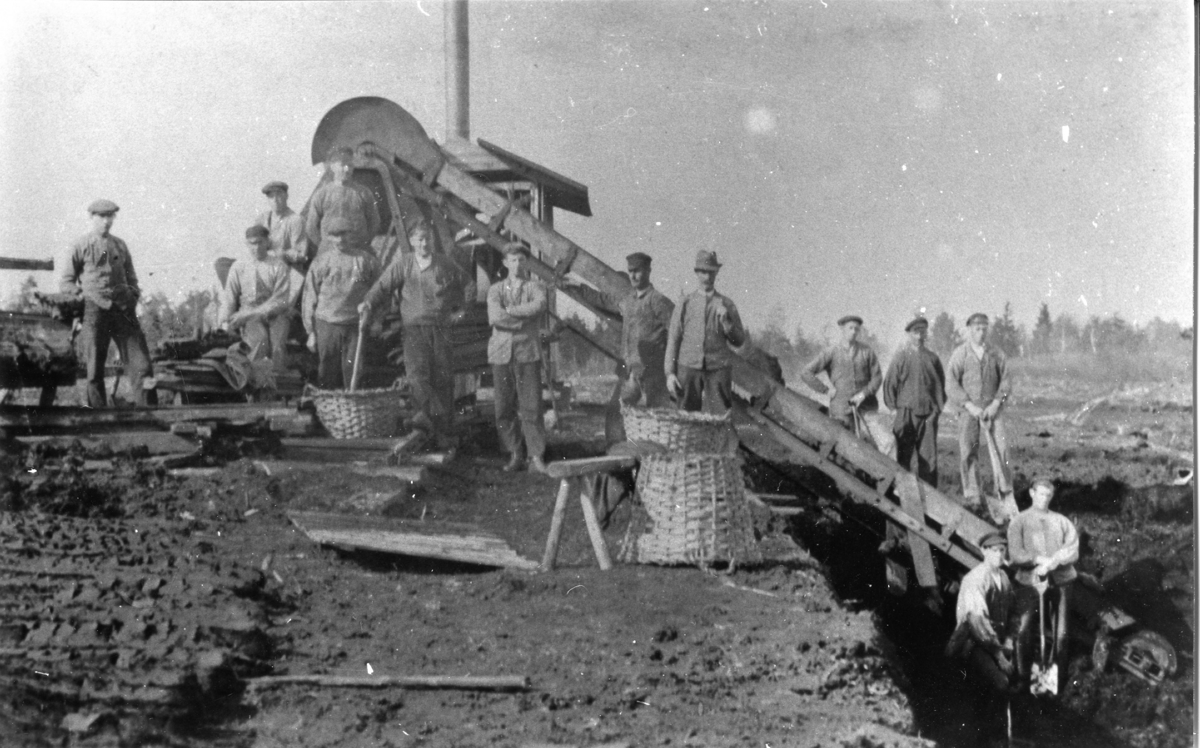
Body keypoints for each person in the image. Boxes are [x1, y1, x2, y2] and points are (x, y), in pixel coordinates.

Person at [360, 222, 473, 449]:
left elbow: (469, 285)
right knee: (417, 378)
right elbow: (382, 286)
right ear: (412, 241)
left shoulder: (445, 263)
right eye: (420, 239)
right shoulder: (404, 264)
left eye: (428, 239)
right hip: (414, 330)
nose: (424, 244)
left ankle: (443, 435)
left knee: (443, 379)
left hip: (440, 329)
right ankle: (427, 424)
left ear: (432, 241)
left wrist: (461, 313)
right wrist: (368, 302)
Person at [60, 199, 156, 408]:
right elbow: (66, 281)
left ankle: (151, 413)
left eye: (110, 216)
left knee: (142, 365)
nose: (106, 221)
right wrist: (81, 297)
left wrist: (132, 297)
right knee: (94, 369)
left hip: (123, 310)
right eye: (101, 216)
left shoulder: (119, 245)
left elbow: (132, 278)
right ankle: (99, 418)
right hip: (94, 310)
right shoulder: (81, 245)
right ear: (91, 217)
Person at [1007, 478, 1079, 694]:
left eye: (1048, 495)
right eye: (1040, 494)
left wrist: (1054, 562)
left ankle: (1056, 681)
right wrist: (1038, 560)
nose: (1044, 498)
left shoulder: (1062, 521)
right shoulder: (1019, 521)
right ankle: (1023, 678)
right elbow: (1016, 554)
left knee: (1062, 634)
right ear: (1031, 493)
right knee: (1024, 629)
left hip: (1062, 581)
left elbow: (1072, 551)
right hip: (1030, 581)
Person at [946, 531, 1017, 748]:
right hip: (972, 643)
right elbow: (977, 624)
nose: (998, 554)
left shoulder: (1003, 578)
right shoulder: (975, 579)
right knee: (1000, 684)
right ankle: (987, 738)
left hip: (994, 643)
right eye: (993, 550)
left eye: (1002, 550)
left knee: (1000, 685)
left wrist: (1010, 642)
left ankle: (992, 734)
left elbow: (1013, 612)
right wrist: (999, 655)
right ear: (984, 551)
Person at [487, 243, 548, 473]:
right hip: (500, 353)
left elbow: (539, 305)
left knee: (531, 405)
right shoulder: (496, 290)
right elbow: (495, 317)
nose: (517, 265)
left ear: (527, 263)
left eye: (521, 260)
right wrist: (524, 318)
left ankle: (536, 456)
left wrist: (510, 312)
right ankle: (515, 453)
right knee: (503, 407)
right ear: (505, 263)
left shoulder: (536, 287)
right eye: (513, 260)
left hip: (527, 352)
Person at [301, 218, 381, 389]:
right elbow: (309, 297)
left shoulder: (366, 260)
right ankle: (327, 412)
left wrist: (377, 320)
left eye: (344, 234)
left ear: (352, 234)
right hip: (327, 324)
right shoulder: (321, 262)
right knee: (327, 373)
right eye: (335, 235)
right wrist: (311, 332)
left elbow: (381, 291)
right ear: (329, 237)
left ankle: (351, 412)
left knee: (354, 373)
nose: (340, 240)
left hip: (355, 324)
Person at [947, 313, 1014, 517]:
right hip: (969, 412)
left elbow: (1006, 381)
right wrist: (969, 405)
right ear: (969, 330)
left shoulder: (996, 354)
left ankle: (1004, 491)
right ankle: (973, 494)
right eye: (977, 328)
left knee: (1001, 450)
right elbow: (951, 383)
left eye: (984, 328)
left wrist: (995, 404)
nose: (981, 332)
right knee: (969, 450)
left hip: (993, 410)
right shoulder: (961, 354)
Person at [664, 250, 746, 413]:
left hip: (718, 369)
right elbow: (673, 339)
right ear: (696, 273)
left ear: (716, 273)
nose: (707, 277)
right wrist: (670, 374)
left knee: (721, 418)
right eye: (703, 272)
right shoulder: (685, 303)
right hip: (688, 368)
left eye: (711, 272)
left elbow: (739, 340)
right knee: (685, 417)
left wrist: (727, 322)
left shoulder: (727, 304)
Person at [218, 225, 293, 372]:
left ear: (267, 242)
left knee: (277, 345)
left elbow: (280, 300)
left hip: (276, 313)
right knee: (259, 342)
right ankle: (257, 383)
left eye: (260, 242)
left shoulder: (278, 266)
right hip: (250, 313)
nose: (256, 247)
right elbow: (229, 298)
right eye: (252, 243)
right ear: (247, 244)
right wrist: (223, 322)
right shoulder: (239, 266)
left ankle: (279, 386)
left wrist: (249, 314)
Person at [881, 316, 945, 486]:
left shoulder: (932, 358)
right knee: (902, 456)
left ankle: (931, 501)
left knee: (928, 459)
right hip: (905, 414)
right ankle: (899, 495)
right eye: (915, 332)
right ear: (909, 334)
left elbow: (940, 387)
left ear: (926, 334)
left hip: (928, 416)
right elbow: (890, 384)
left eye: (922, 332)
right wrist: (894, 409)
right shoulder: (901, 357)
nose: (919, 336)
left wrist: (936, 411)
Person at [801, 315, 882, 431]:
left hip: (866, 405)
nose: (854, 332)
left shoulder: (866, 351)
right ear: (842, 329)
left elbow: (877, 378)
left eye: (857, 329)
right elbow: (806, 372)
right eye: (850, 328)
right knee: (844, 442)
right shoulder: (831, 352)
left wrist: (863, 394)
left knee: (874, 441)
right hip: (841, 408)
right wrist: (825, 390)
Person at [618, 252, 675, 408]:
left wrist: (671, 368)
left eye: (637, 271)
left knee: (658, 416)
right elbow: (604, 300)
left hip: (654, 375)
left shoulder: (657, 301)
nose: (633, 276)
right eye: (630, 271)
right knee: (622, 409)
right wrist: (578, 288)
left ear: (648, 271)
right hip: (633, 373)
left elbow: (676, 332)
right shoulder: (629, 301)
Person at [305, 147, 381, 257]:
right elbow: (311, 227)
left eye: (350, 165)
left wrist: (363, 244)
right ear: (332, 167)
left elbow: (375, 222)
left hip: (358, 252)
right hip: (330, 254)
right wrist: (325, 246)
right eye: (342, 165)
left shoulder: (364, 193)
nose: (347, 169)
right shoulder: (322, 194)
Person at [256, 180, 308, 304]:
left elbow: (301, 253)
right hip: (265, 269)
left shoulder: (295, 220)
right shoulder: (262, 219)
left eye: (279, 195)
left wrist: (282, 253)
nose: (275, 199)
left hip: (287, 270)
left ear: (286, 196)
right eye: (271, 196)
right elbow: (253, 242)